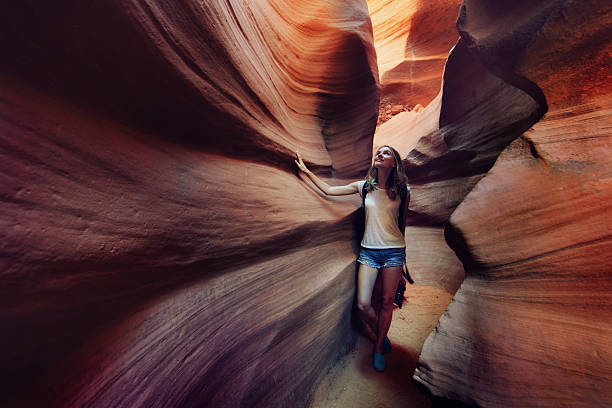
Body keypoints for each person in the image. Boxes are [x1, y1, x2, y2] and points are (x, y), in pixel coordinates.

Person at [295, 145, 409, 371]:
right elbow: (329, 191)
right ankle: (381, 333)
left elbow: (402, 224)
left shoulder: (403, 190)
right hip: (369, 252)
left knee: (387, 303)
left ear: (394, 163)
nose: (380, 154)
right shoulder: (364, 187)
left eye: (386, 153)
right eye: (379, 151)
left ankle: (378, 348)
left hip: (395, 251)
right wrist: (305, 171)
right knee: (363, 304)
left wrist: (406, 260)